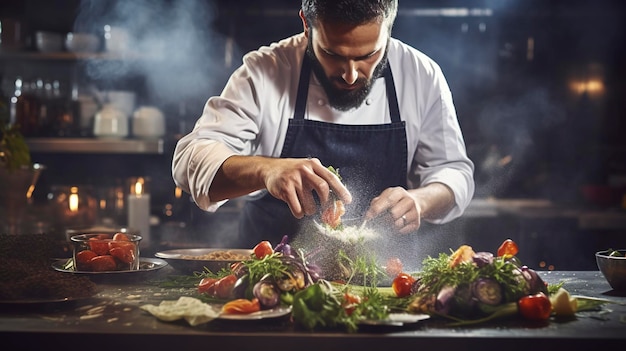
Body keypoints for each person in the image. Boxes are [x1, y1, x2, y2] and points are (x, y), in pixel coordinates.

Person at [172, 0, 475, 248]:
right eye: (333, 54)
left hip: (383, 285)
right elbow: (190, 161)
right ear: (307, 24)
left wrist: (419, 201)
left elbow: (454, 173)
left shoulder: (421, 75)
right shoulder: (265, 71)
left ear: (389, 26)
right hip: (272, 284)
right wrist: (266, 170)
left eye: (369, 55)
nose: (351, 75)